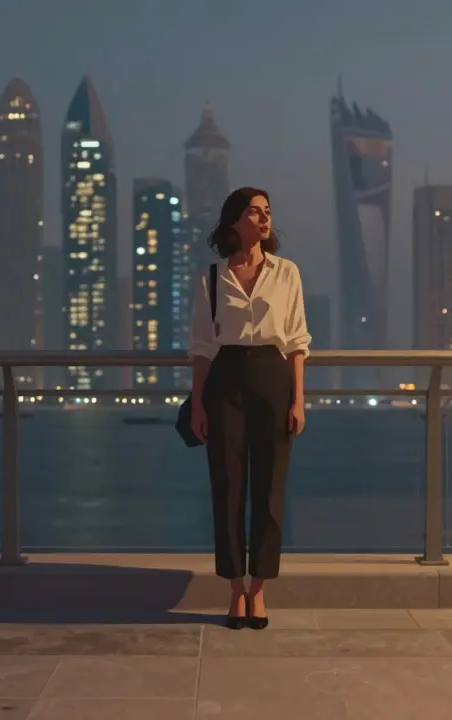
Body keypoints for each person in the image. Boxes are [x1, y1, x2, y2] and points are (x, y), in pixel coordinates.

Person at [188, 187, 311, 630]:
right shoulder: (212, 277)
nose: (263, 218)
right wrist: (198, 403)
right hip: (225, 381)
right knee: (228, 487)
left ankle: (259, 591)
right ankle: (235, 590)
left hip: (273, 378)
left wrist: (298, 399)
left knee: (269, 489)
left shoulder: (287, 273)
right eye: (254, 211)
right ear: (234, 221)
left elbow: (297, 340)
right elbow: (202, 347)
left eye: (267, 212)